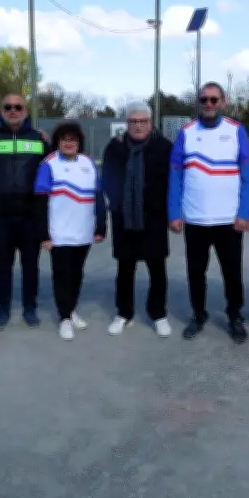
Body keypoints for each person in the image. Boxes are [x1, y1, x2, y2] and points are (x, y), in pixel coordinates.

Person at [168, 81, 249, 343]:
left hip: (229, 220)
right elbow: (175, 176)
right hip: (195, 219)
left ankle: (235, 316)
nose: (208, 104)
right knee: (196, 273)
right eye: (203, 99)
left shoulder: (236, 130)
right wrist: (174, 213)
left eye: (214, 99)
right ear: (198, 103)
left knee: (232, 273)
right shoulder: (186, 132)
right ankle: (198, 314)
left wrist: (245, 213)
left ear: (223, 102)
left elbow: (248, 176)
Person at [0, 94, 51, 329]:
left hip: (30, 216)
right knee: (2, 265)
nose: (13, 111)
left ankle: (30, 307)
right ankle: (3, 307)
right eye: (7, 107)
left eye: (18, 107)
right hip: (0, 216)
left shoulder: (39, 138)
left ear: (25, 111)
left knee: (30, 265)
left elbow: (57, 165)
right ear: (1, 110)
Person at [101, 101, 173, 338]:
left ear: (151, 123)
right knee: (125, 269)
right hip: (124, 218)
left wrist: (169, 211)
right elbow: (107, 177)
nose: (138, 126)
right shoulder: (115, 147)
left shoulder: (164, 147)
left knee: (157, 269)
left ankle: (158, 314)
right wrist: (117, 203)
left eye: (143, 121)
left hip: (154, 218)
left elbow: (172, 181)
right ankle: (124, 313)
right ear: (127, 123)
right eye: (133, 121)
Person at [33, 122, 107, 341]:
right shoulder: (48, 164)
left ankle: (71, 309)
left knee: (76, 274)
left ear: (79, 142)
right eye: (64, 139)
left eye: (72, 139)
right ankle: (64, 318)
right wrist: (44, 234)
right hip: (59, 233)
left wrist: (101, 225)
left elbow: (98, 196)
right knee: (62, 275)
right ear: (57, 142)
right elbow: (40, 202)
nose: (68, 143)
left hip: (83, 231)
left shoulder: (88, 163)